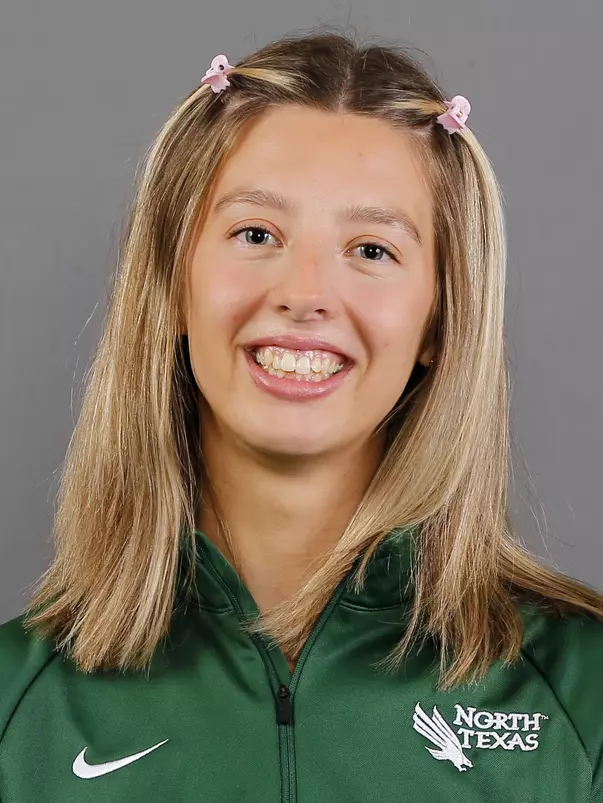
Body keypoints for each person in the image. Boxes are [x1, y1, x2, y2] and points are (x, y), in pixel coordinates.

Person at [0, 29, 602, 803]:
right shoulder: (21, 713)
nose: (305, 292)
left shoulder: (580, 699)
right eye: (256, 234)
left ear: (438, 321)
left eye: (372, 250)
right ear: (172, 284)